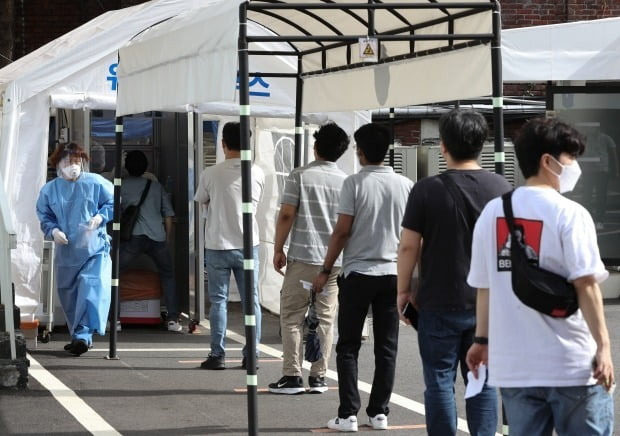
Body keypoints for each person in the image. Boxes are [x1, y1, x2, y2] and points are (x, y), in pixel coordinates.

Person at [466, 117, 615, 436]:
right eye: (570, 157)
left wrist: (481, 340)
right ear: (548, 161)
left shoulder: (492, 213)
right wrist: (603, 346)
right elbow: (586, 285)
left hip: (515, 369)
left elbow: (485, 286)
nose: (575, 165)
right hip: (571, 365)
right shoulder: (570, 214)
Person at [396, 109, 511, 435]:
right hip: (488, 306)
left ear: (443, 145)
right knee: (483, 381)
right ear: (482, 144)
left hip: (437, 301)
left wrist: (403, 290)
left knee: (438, 382)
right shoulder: (502, 188)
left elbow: (408, 247)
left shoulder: (426, 190)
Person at [312, 123, 413, 432]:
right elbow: (411, 237)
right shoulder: (406, 185)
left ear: (361, 152)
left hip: (357, 274)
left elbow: (342, 231)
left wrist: (326, 268)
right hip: (392, 274)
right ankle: (380, 413)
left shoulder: (354, 184)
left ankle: (348, 414)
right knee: (387, 347)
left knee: (348, 346)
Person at [268, 122, 349, 395]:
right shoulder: (346, 181)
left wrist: (278, 247)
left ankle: (292, 375)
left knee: (292, 316)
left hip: (303, 256)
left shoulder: (299, 176)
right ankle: (319, 377)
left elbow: (287, 214)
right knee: (325, 318)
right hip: (333, 261)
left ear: (315, 147)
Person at [194, 121, 265, 370]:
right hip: (248, 245)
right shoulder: (257, 172)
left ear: (223, 144)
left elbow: (201, 199)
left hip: (217, 244)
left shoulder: (211, 173)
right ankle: (252, 355)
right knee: (251, 301)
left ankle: (218, 354)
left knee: (219, 300)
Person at [36, 142, 114, 356]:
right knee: (70, 295)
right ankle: (79, 335)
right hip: (68, 253)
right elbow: (45, 216)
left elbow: (113, 202)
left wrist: (100, 217)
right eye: (69, 161)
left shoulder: (96, 182)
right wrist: (53, 231)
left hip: (94, 249)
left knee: (91, 287)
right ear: (58, 164)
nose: (74, 165)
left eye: (78, 161)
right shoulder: (50, 190)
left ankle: (83, 335)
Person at [119, 150, 182, 332]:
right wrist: (166, 238)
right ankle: (172, 319)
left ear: (126, 168)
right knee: (168, 275)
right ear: (146, 167)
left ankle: (113, 320)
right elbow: (168, 215)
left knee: (114, 274)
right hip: (157, 237)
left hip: (133, 238)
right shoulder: (155, 186)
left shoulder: (120, 185)